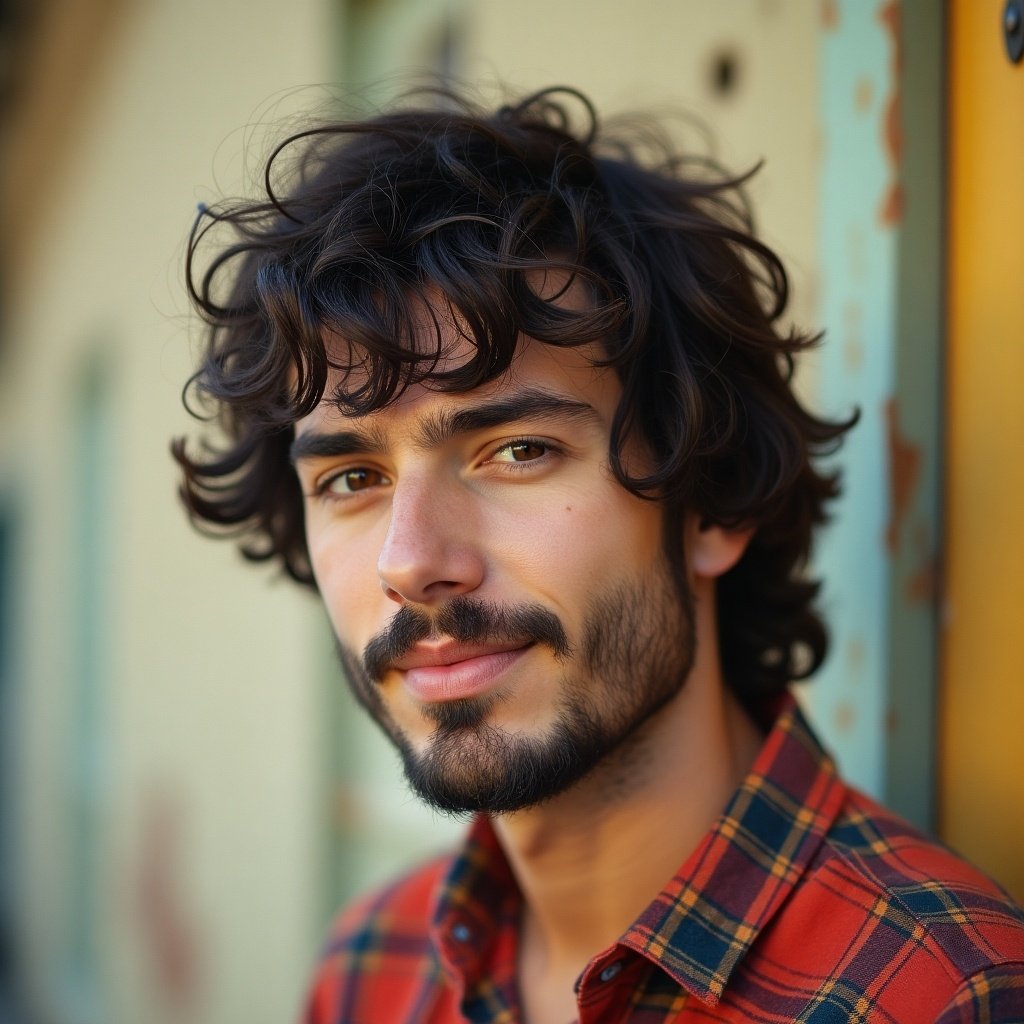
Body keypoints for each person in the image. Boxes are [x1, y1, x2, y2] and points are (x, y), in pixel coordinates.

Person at [174, 87, 1024, 1023]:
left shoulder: (944, 993)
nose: (411, 563)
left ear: (710, 500)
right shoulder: (372, 968)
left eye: (518, 451)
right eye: (351, 478)